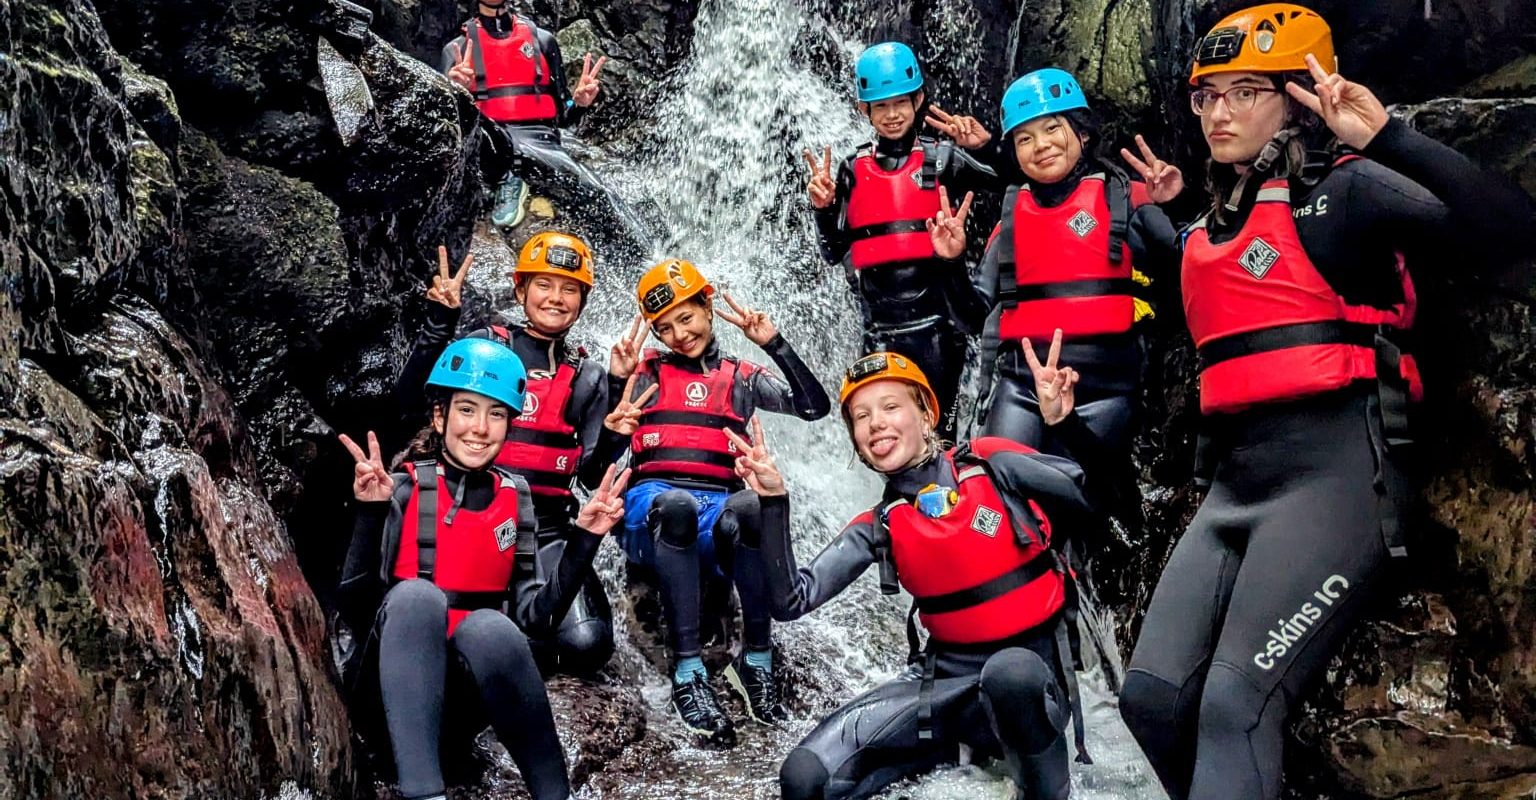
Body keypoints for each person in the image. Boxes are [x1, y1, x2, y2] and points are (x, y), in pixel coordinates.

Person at [1116, 6, 1536, 800]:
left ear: (1297, 99)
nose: (1220, 113)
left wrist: (1388, 139)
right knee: (1150, 701)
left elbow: (1510, 230)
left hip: (1340, 478)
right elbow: (1225, 307)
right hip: (1235, 489)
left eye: (1245, 92)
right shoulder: (1211, 225)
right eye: (1207, 97)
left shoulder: (1347, 192)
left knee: (1235, 706)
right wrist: (1155, 212)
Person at [733, 350, 1114, 800]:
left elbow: (1095, 501)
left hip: (1031, 682)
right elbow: (791, 601)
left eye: (891, 407)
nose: (876, 423)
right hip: (946, 684)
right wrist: (775, 501)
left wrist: (1062, 427)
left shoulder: (990, 463)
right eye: (861, 416)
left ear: (926, 414)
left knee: (1009, 675)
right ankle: (948, 750)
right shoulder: (879, 525)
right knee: (803, 777)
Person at [337, 337, 632, 800]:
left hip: (459, 705)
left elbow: (538, 619)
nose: (480, 428)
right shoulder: (399, 490)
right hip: (387, 701)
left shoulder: (516, 498)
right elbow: (354, 609)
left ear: (510, 424)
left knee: (492, 626)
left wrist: (585, 539)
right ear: (441, 417)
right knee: (419, 597)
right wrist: (369, 514)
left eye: (496, 414)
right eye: (467, 410)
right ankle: (423, 793)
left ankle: (554, 795)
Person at [608, 258, 832, 744]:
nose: (679, 334)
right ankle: (688, 672)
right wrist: (611, 386)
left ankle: (756, 658)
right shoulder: (642, 375)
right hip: (654, 511)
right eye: (664, 328)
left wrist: (773, 343)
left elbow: (814, 408)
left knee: (752, 506)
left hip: (716, 515)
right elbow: (595, 463)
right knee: (678, 506)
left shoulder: (741, 377)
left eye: (686, 318)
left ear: (707, 307)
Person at [395, 233, 626, 677]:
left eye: (569, 288)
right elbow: (409, 402)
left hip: (547, 531)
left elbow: (593, 476)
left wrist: (616, 423)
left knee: (586, 643)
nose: (556, 298)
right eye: (544, 284)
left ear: (582, 301)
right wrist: (439, 324)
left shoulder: (589, 377)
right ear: (520, 290)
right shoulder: (486, 345)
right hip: (473, 515)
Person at [961, 68, 1179, 470]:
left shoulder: (1127, 199)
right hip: (1022, 384)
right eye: (1025, 139)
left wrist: (1177, 205)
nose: (1040, 145)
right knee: (1001, 480)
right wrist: (950, 264)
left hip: (1106, 385)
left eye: (1051, 129)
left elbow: (1189, 269)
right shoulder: (1009, 220)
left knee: (1078, 498)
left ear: (1082, 133)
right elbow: (972, 312)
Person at [804, 41, 998, 438]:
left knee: (938, 439)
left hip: (937, 329)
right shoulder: (851, 169)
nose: (892, 115)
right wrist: (823, 209)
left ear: (919, 100)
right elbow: (833, 251)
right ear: (865, 110)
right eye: (880, 106)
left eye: (900, 103)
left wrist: (987, 147)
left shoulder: (944, 158)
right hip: (878, 330)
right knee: (885, 436)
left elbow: (1013, 178)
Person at [441, 0, 647, 245]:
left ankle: (644, 260)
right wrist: (454, 90)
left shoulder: (542, 41)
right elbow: (447, 129)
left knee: (597, 196)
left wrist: (579, 103)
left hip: (542, 142)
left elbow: (562, 118)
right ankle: (507, 181)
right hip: (490, 142)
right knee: (480, 130)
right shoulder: (457, 49)